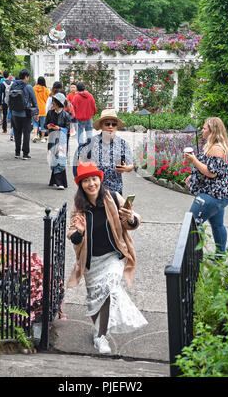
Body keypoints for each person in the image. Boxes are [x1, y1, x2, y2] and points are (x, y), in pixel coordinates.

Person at [67, 162, 147, 354]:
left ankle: (101, 337)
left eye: (94, 179)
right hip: (90, 260)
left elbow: (131, 223)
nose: (91, 183)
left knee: (109, 287)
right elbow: (73, 236)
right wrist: (79, 231)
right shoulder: (78, 206)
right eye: (86, 181)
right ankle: (98, 331)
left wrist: (130, 217)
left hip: (112, 256)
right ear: (81, 185)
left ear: (99, 180)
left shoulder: (113, 197)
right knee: (94, 299)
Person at [184, 117, 228, 253]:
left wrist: (194, 159)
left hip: (213, 194)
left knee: (193, 222)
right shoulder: (212, 146)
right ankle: (220, 256)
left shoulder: (216, 149)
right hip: (218, 194)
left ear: (212, 131)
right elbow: (212, 169)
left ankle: (195, 256)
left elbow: (211, 173)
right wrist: (193, 176)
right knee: (218, 225)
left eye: (204, 128)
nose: (202, 130)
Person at [75, 109, 134, 195]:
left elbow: (131, 165)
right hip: (94, 190)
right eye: (107, 124)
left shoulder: (123, 144)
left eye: (114, 124)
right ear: (101, 126)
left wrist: (125, 168)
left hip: (115, 190)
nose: (110, 127)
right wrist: (87, 175)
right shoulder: (91, 142)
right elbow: (80, 160)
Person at [9, 69, 39, 160]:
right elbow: (34, 101)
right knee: (26, 134)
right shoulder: (29, 87)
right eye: (28, 76)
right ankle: (25, 154)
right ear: (26, 77)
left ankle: (17, 153)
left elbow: (9, 100)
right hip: (25, 114)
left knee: (17, 133)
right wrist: (36, 113)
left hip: (15, 114)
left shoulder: (13, 85)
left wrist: (11, 112)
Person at [44, 92, 71, 189]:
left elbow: (68, 129)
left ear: (59, 103)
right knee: (53, 159)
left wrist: (58, 128)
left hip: (62, 140)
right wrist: (47, 126)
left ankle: (60, 183)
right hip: (52, 138)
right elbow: (44, 124)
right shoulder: (50, 113)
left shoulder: (66, 115)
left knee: (60, 159)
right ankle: (55, 180)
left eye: (54, 102)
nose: (52, 104)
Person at [32, 76, 50, 143]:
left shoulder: (33, 88)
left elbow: (31, 98)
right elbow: (47, 100)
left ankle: (35, 135)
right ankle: (42, 138)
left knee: (35, 123)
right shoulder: (45, 90)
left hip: (34, 108)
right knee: (43, 124)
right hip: (43, 109)